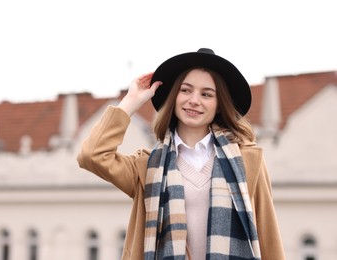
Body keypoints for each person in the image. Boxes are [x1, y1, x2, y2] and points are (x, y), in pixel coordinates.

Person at [77, 48, 285, 260]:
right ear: (174, 96)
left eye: (206, 94)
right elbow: (92, 155)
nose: (194, 100)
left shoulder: (247, 162)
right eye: (186, 90)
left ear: (219, 105)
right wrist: (131, 101)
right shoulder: (147, 167)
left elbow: (269, 237)